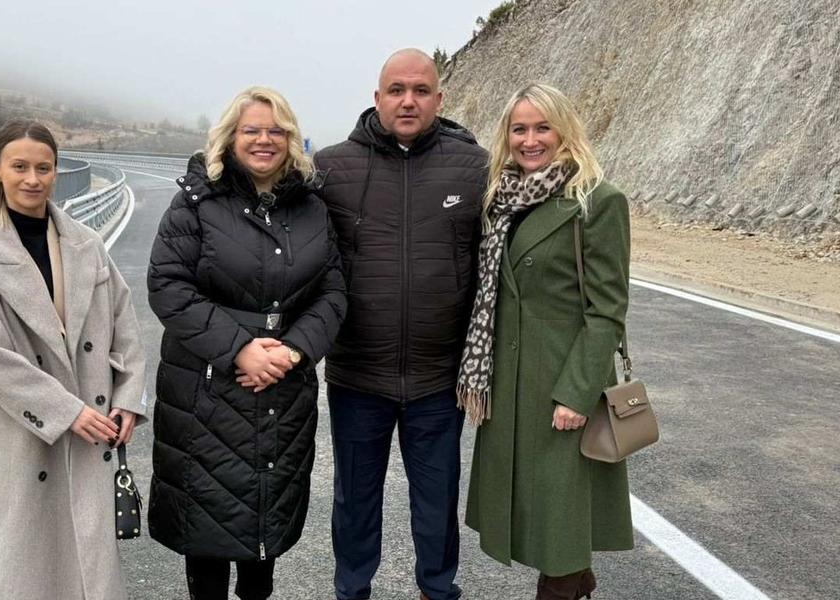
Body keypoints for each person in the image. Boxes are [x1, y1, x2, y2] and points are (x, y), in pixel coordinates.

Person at [147, 86, 346, 600]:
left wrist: (293, 350)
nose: (264, 140)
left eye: (276, 130)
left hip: (282, 386)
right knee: (208, 527)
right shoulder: (197, 202)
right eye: (251, 130)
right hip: (207, 392)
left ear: (291, 138)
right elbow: (168, 285)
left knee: (265, 521)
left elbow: (332, 292)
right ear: (230, 137)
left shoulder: (312, 207)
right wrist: (240, 349)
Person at [0, 120, 147, 600]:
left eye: (43, 168)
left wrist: (128, 397)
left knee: (86, 564)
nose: (32, 179)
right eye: (20, 167)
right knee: (17, 563)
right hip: (17, 429)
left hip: (90, 425)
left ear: (56, 172)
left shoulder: (86, 244)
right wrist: (67, 410)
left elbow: (124, 324)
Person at [313, 48, 487, 600]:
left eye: (420, 90)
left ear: (439, 98)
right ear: (377, 98)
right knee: (354, 502)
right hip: (357, 377)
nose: (408, 101)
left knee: (437, 504)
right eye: (396, 90)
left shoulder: (476, 168)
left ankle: (438, 590)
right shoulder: (332, 168)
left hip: (439, 378)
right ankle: (352, 592)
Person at [459, 82, 634, 600]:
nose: (530, 140)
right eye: (520, 129)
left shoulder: (597, 200)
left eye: (543, 128)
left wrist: (577, 393)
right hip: (510, 382)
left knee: (560, 513)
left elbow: (607, 310)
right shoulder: (500, 201)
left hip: (561, 380)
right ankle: (577, 582)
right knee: (534, 508)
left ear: (565, 131)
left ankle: (564, 585)